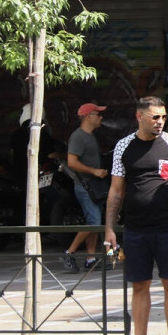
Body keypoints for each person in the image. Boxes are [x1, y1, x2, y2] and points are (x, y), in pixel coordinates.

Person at [104, 97, 168, 335]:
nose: (160, 122)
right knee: (139, 285)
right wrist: (109, 228)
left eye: (164, 117)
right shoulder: (124, 146)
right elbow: (116, 190)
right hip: (135, 228)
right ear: (139, 117)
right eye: (155, 117)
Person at [61, 103, 109, 273]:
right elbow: (72, 162)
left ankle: (91, 258)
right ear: (88, 116)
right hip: (85, 186)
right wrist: (94, 171)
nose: (101, 118)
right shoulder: (78, 137)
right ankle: (69, 252)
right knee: (94, 222)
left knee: (93, 221)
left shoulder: (90, 136)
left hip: (93, 186)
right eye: (98, 114)